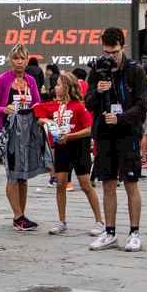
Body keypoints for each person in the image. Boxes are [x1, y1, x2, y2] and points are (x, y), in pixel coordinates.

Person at [84, 27, 147, 252]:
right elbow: (88, 104)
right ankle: (109, 232)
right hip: (103, 133)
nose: (110, 57)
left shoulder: (135, 70)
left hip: (127, 132)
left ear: (123, 47)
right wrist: (99, 91)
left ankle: (134, 232)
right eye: (106, 52)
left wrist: (121, 118)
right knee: (107, 183)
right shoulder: (97, 70)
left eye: (114, 52)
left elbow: (142, 106)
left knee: (131, 182)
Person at [34, 71, 103, 237]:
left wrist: (69, 136)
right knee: (60, 184)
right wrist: (46, 121)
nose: (55, 87)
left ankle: (100, 221)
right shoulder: (55, 105)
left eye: (58, 84)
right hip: (61, 148)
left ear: (66, 87)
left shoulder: (79, 106)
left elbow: (89, 129)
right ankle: (62, 221)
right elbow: (37, 111)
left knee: (86, 185)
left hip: (78, 147)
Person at [0, 44, 47, 231]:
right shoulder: (2, 79)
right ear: (11, 60)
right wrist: (3, 109)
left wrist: (42, 116)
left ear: (26, 60)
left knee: (24, 175)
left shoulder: (31, 80)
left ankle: (21, 215)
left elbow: (38, 102)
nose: (19, 62)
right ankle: (17, 216)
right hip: (7, 130)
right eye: (16, 58)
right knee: (12, 173)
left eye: (22, 58)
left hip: (27, 130)